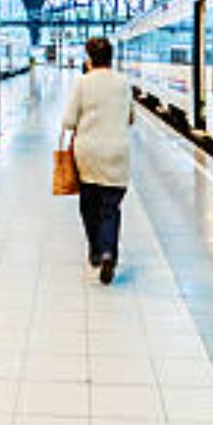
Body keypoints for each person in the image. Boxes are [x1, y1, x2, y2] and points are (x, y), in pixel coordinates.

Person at [60, 36, 134, 285]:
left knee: (89, 205)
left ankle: (95, 250)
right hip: (117, 152)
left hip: (88, 153)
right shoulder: (124, 82)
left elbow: (69, 121)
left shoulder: (83, 82)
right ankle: (108, 252)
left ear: (89, 58)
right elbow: (131, 118)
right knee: (110, 207)